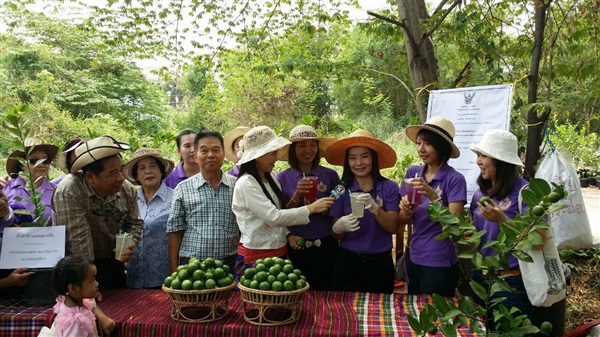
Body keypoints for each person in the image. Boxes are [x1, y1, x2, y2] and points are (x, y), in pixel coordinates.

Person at [232, 126, 334, 275]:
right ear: (258, 156)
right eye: (273, 154)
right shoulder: (246, 183)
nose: (276, 158)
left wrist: (287, 235)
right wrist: (311, 209)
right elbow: (273, 217)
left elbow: (280, 214)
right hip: (256, 255)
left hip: (279, 252)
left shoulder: (270, 178)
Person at [52, 136, 143, 289]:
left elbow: (134, 222)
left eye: (121, 170)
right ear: (90, 177)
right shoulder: (70, 191)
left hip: (112, 262)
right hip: (77, 271)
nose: (121, 178)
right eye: (113, 173)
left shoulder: (126, 189)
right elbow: (79, 246)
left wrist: (130, 242)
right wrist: (89, 287)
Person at [469, 129, 538, 320]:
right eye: (478, 155)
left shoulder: (527, 192)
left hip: (512, 282)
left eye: (483, 156)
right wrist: (469, 235)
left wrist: (503, 220)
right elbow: (479, 234)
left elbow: (538, 240)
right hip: (481, 278)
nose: (478, 161)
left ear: (499, 161)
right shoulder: (479, 194)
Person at [324, 129, 400, 294]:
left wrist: (375, 208)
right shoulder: (340, 189)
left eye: (364, 156)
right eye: (353, 158)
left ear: (373, 158)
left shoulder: (389, 187)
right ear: (347, 162)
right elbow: (336, 234)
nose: (358, 163)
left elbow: (394, 227)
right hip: (348, 262)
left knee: (380, 313)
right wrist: (338, 227)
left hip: (380, 263)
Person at [399, 116, 466, 297]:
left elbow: (453, 229)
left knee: (437, 317)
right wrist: (405, 209)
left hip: (439, 262)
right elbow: (403, 219)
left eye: (427, 144)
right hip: (414, 256)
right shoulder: (413, 173)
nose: (421, 149)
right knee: (416, 313)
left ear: (441, 147)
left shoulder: (454, 179)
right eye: (419, 143)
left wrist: (434, 198)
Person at [276, 125, 340, 290]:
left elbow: (339, 196)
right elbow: (281, 213)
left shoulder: (330, 175)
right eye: (302, 145)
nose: (308, 150)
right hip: (296, 244)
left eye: (312, 144)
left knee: (327, 290)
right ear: (293, 149)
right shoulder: (282, 178)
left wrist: (327, 206)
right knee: (298, 290)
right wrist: (297, 195)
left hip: (326, 243)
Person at [167, 131, 239, 273]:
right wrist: (174, 271)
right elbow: (174, 232)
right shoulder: (183, 188)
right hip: (191, 267)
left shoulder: (237, 186)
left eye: (216, 150)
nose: (210, 155)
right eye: (204, 150)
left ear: (223, 154)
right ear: (195, 156)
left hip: (229, 265)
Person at [123, 148, 175, 288]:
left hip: (165, 278)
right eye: (142, 168)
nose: (148, 171)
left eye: (153, 166)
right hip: (134, 278)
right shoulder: (129, 199)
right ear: (136, 175)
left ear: (161, 170)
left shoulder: (175, 198)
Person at [51, 256, 115, 337]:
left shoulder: (73, 301)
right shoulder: (75, 323)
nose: (97, 284)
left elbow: (92, 304)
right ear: (73, 289)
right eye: (92, 281)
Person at [3, 138, 58, 226]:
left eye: (45, 161)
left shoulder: (56, 192)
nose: (41, 164)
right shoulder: (5, 188)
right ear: (21, 165)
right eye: (34, 160)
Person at [0, 190, 34, 299]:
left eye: (0, 195)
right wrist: (8, 281)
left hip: (30, 290)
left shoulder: (19, 212)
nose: (1, 202)